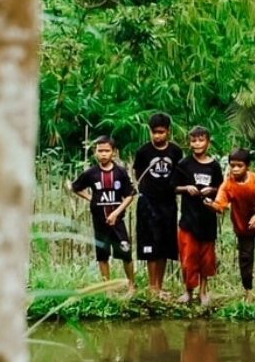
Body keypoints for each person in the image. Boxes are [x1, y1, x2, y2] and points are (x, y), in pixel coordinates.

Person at [207, 148, 255, 303]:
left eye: (239, 166)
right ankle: (248, 292)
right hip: (243, 227)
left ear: (247, 166)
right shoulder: (228, 184)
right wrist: (210, 205)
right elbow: (220, 205)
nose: (235, 169)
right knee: (246, 259)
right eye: (232, 165)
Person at [70, 136, 136, 295]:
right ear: (95, 152)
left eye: (107, 151)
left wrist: (116, 212)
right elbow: (75, 187)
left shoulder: (120, 172)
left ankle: (132, 286)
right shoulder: (91, 173)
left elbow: (130, 195)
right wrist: (90, 198)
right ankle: (107, 289)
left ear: (114, 152)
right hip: (99, 222)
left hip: (118, 222)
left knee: (126, 253)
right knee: (102, 255)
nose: (103, 154)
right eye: (100, 151)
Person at [133, 112, 183, 296]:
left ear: (168, 131)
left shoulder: (176, 152)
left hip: (168, 203)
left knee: (164, 245)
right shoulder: (143, 152)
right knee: (150, 244)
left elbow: (179, 174)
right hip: (148, 203)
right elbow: (139, 174)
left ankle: (159, 286)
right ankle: (152, 287)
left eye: (161, 132)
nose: (157, 136)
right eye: (154, 132)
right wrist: (147, 191)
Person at [174, 124, 224, 306]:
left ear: (208, 143)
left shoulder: (214, 166)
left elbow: (222, 189)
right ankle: (188, 291)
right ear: (190, 143)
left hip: (208, 219)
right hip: (188, 219)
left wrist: (212, 190)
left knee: (207, 259)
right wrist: (186, 188)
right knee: (188, 258)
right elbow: (173, 187)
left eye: (201, 140)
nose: (197, 143)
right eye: (193, 140)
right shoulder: (184, 164)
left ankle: (203, 292)